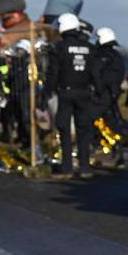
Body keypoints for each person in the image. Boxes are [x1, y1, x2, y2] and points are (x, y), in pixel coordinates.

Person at [42, 13, 96, 178]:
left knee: (64, 129)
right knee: (83, 130)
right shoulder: (89, 47)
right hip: (85, 92)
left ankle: (67, 168)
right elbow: (95, 72)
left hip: (65, 93)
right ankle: (85, 167)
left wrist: (47, 91)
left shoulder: (59, 47)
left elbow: (53, 72)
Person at [90, 27, 126, 158]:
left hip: (102, 94)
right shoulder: (117, 56)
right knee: (112, 120)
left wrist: (98, 89)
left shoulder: (101, 55)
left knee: (90, 119)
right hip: (112, 93)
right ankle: (116, 149)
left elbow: (95, 73)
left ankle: (100, 145)